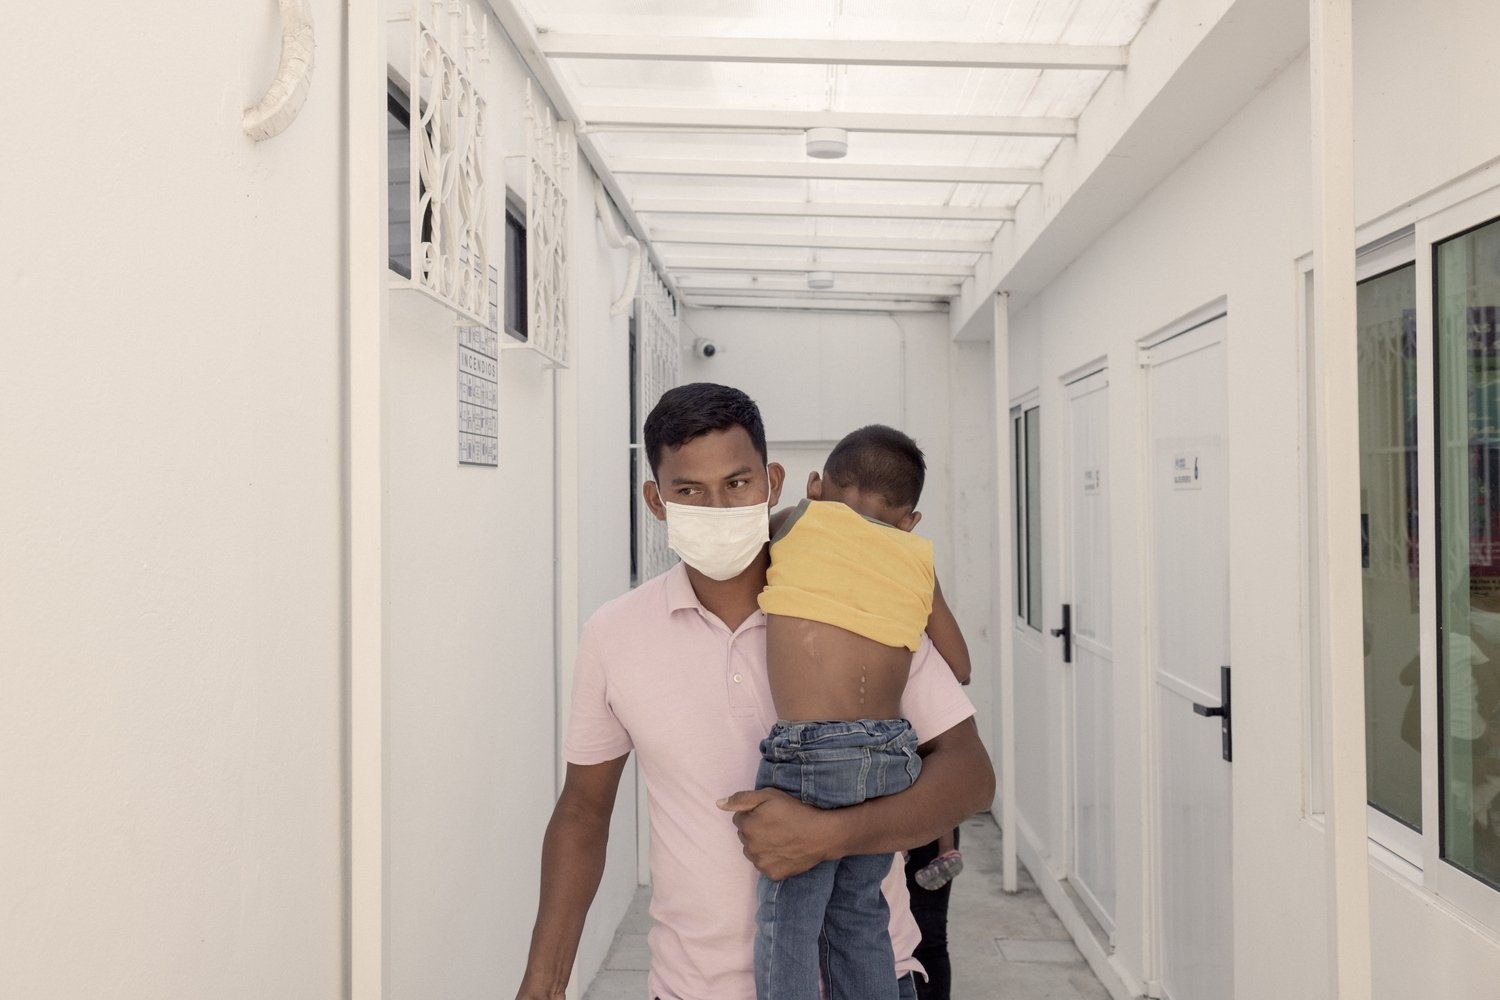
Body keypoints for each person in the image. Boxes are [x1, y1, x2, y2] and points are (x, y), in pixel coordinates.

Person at [514, 383, 994, 1000]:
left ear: (772, 481)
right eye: (689, 490)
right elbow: (583, 811)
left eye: (737, 484)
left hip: (866, 979)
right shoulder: (614, 635)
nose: (717, 507)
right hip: (694, 988)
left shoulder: (858, 605)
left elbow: (971, 775)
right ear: (655, 501)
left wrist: (831, 837)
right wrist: (543, 981)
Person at [753, 425, 972, 1000]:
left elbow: (743, 565)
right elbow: (960, 664)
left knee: (790, 919)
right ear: (910, 521)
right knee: (858, 912)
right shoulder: (916, 558)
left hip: (811, 754)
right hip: (889, 756)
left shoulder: (801, 518)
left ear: (816, 485)